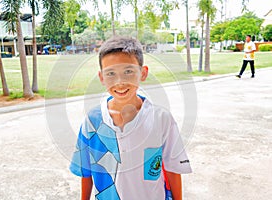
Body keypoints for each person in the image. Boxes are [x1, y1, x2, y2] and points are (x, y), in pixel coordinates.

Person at [70, 36, 192, 200]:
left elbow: (172, 169)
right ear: (101, 77)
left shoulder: (162, 119)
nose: (120, 82)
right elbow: (86, 172)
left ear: (143, 73)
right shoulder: (92, 121)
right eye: (111, 73)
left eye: (128, 71)